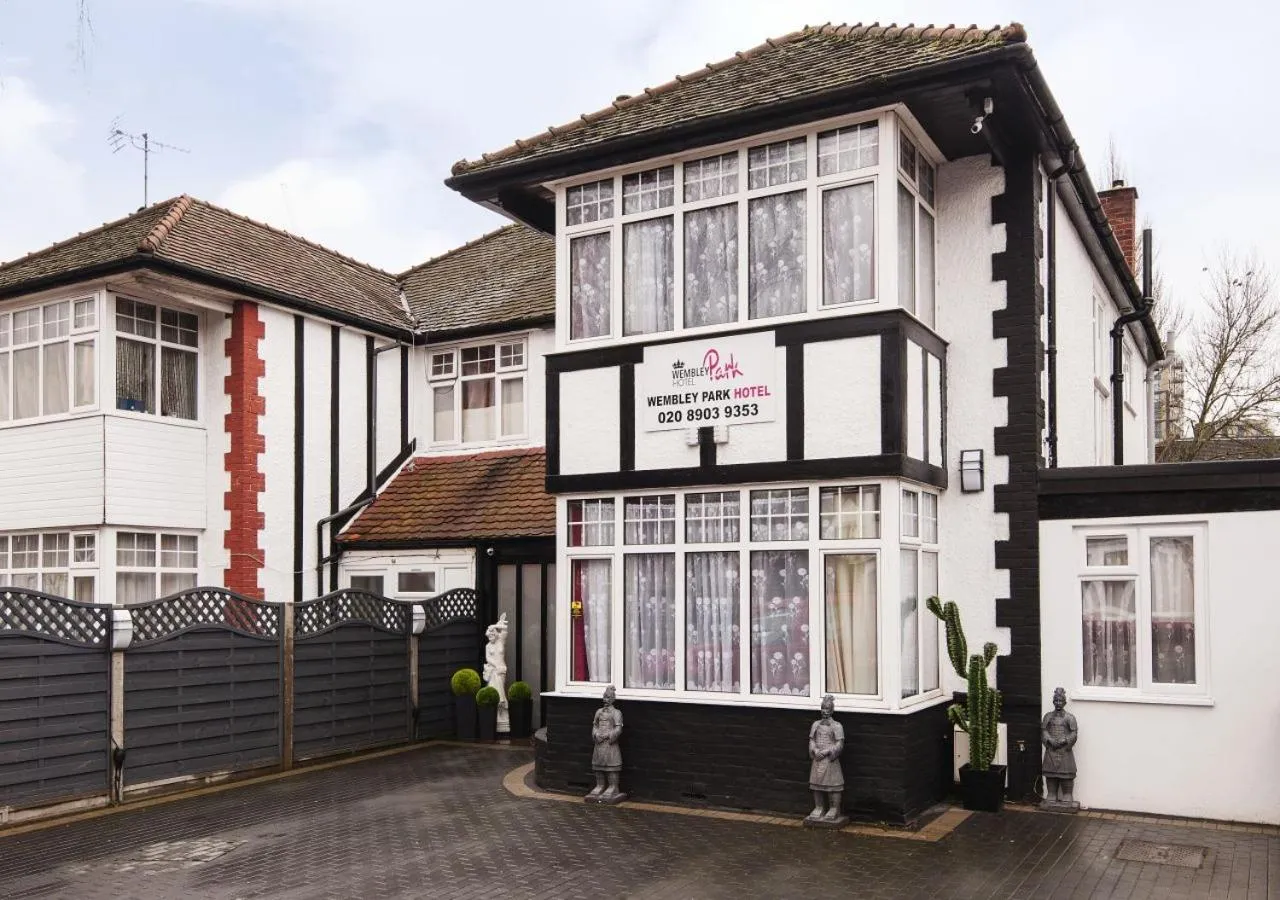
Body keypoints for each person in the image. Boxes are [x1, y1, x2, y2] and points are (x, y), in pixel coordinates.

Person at [807, 694, 845, 822]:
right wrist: (815, 750)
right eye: (823, 709)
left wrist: (828, 751)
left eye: (827, 709)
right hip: (817, 758)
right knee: (816, 784)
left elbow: (839, 743)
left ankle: (834, 808)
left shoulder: (837, 726)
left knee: (833, 784)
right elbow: (812, 740)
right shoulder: (816, 725)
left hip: (830, 760)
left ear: (832, 711)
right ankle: (819, 807)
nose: (825, 712)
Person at [1041, 687, 1078, 808]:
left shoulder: (1070, 717)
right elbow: (1044, 730)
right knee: (1051, 774)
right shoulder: (1048, 716)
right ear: (1053, 702)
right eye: (1056, 701)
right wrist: (1049, 740)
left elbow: (1074, 733)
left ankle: (1067, 795)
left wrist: (1065, 740)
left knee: (1066, 773)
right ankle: (1051, 794)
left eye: (1060, 701)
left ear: (1065, 702)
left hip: (1064, 750)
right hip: (1051, 749)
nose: (1058, 703)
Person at [587, 685, 624, 802]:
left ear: (613, 699)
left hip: (610, 744)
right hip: (599, 744)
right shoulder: (598, 712)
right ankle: (600, 785)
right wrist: (596, 734)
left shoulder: (617, 713)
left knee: (611, 766)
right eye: (604, 697)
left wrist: (609, 735)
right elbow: (595, 725)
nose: (605, 700)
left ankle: (613, 787)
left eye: (608, 698)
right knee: (598, 765)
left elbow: (618, 729)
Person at [483, 613, 509, 731]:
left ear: (496, 634)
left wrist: (496, 625)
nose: (491, 637)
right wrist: (495, 665)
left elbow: (505, 629)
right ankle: (497, 717)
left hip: (501, 670)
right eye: (489, 635)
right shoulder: (488, 646)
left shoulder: (501, 641)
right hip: (494, 671)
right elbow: (488, 658)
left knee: (501, 691)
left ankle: (503, 716)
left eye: (493, 634)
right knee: (495, 692)